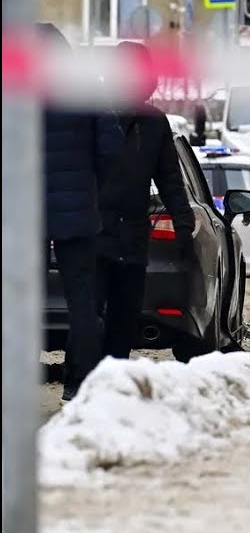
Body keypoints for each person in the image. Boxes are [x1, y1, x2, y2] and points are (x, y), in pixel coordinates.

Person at [95, 42, 197, 363]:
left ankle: (115, 376)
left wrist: (183, 223)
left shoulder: (154, 122)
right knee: (89, 312)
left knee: (126, 313)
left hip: (133, 235)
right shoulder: (94, 116)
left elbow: (169, 179)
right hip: (94, 231)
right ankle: (81, 378)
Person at [39, 23, 125, 402]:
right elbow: (112, 149)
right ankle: (79, 385)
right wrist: (91, 188)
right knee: (82, 301)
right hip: (78, 212)